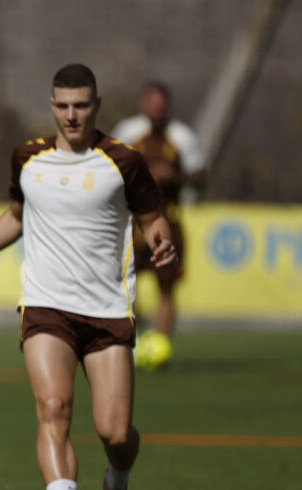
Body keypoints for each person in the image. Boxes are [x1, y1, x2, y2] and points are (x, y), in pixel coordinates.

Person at [0, 65, 177, 490]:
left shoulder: (124, 161)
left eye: (81, 105)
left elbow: (153, 219)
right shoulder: (28, 158)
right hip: (45, 305)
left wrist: (162, 245)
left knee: (115, 432)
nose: (71, 115)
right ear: (52, 106)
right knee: (53, 409)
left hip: (107, 309)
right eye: (63, 106)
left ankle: (117, 478)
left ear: (97, 104)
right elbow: (15, 217)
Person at [111, 82, 206, 368]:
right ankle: (136, 342)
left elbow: (200, 177)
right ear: (143, 104)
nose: (157, 110)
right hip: (133, 219)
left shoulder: (182, 136)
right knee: (129, 284)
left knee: (167, 286)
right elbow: (108, 168)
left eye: (162, 105)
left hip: (169, 219)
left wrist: (173, 177)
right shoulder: (128, 132)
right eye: (152, 104)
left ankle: (161, 347)